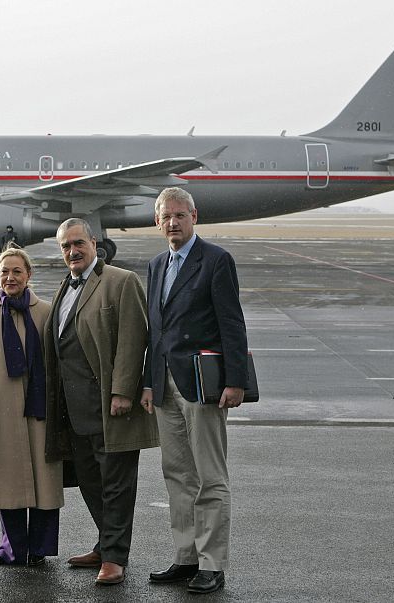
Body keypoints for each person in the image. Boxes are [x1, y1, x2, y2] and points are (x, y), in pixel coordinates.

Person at [140, 187, 249, 595]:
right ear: (157, 221)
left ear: (194, 217)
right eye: (166, 216)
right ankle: (186, 557)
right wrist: (150, 382)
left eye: (180, 216)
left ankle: (213, 562)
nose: (173, 223)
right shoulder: (155, 265)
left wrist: (235, 380)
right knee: (177, 475)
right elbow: (156, 332)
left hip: (203, 385)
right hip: (166, 386)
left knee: (209, 477)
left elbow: (232, 323)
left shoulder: (216, 261)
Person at [43, 218, 158, 586]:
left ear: (95, 244)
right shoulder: (65, 286)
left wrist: (123, 391)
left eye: (78, 243)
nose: (72, 251)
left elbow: (133, 339)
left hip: (111, 405)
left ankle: (115, 557)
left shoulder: (121, 282)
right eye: (65, 246)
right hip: (74, 410)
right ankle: (105, 542)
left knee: (117, 485)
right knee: (91, 482)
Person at [0, 247, 63, 566]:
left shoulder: (45, 311)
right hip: (3, 409)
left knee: (44, 482)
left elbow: (57, 359)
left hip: (39, 409)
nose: (10, 277)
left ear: (29, 275)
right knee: (8, 482)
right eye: (4, 272)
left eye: (17, 272)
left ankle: (39, 549)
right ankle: (11, 548)